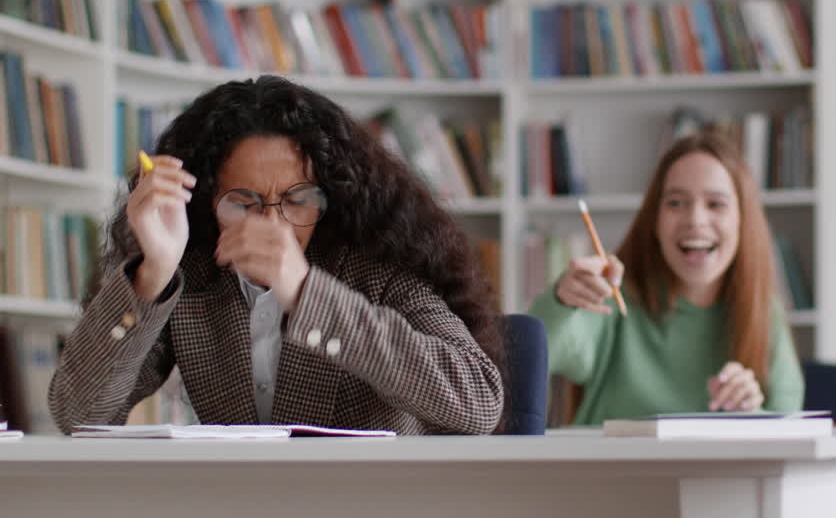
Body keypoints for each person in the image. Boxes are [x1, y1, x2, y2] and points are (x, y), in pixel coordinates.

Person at [49, 76, 505, 435]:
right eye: (243, 203)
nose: (274, 224)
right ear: (206, 203)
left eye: (298, 198)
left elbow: (479, 402)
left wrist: (307, 293)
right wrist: (154, 273)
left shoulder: (378, 270)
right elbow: (78, 414)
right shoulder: (192, 277)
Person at [528, 132, 805, 425]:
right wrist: (562, 299)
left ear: (743, 221)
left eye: (716, 204)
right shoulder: (612, 296)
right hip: (613, 471)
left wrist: (748, 415)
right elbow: (537, 357)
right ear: (655, 222)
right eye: (676, 203)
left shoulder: (764, 313)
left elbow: (790, 431)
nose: (695, 220)